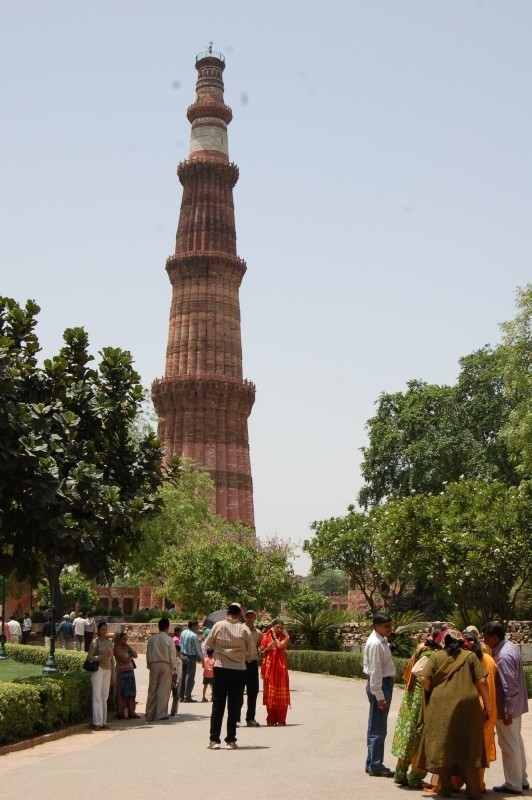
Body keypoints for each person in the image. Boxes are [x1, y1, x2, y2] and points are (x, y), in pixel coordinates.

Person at [417, 631, 490, 800]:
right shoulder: (470, 656)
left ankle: (446, 787)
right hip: (468, 706)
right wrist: (487, 706)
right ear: (462, 642)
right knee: (468, 745)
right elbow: (482, 681)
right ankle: (473, 790)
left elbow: (424, 680)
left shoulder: (436, 657)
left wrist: (433, 692)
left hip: (439, 705)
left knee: (441, 744)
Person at [482, 621, 529, 794]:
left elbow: (509, 687)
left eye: (486, 638)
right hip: (515, 707)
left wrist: (508, 710)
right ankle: (521, 779)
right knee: (515, 743)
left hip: (507, 710)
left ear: (495, 637)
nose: (484, 641)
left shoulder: (503, 655)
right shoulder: (510, 647)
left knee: (509, 746)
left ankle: (513, 783)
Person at [391, 635, 442, 788]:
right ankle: (415, 776)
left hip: (411, 698)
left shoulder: (421, 649)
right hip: (423, 701)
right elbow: (424, 677)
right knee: (422, 738)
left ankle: (400, 773)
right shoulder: (432, 655)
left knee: (408, 736)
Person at [206, 602, 252, 749]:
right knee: (234, 706)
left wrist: (222, 650)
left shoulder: (218, 626)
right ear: (239, 614)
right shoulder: (244, 629)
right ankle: (231, 739)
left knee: (218, 704)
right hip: (239, 669)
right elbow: (250, 650)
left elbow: (209, 643)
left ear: (227, 613)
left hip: (221, 667)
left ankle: (214, 739)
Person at [363, 612, 396, 777]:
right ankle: (376, 764)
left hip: (382, 684)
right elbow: (375, 672)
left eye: (390, 625)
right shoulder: (376, 644)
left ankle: (371, 762)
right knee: (378, 727)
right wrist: (380, 696)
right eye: (386, 626)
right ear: (376, 626)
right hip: (381, 685)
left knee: (375, 725)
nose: (389, 629)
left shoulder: (380, 640)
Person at [145, 617, 178, 722]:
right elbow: (172, 656)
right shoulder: (168, 639)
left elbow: (148, 654)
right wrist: (175, 669)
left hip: (154, 664)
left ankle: (149, 714)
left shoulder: (152, 639)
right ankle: (160, 713)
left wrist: (150, 665)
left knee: (152, 689)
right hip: (165, 665)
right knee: (163, 690)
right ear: (168, 627)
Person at [260, 618, 290, 727]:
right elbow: (262, 654)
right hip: (270, 669)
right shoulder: (266, 637)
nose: (279, 629)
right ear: (273, 627)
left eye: (281, 628)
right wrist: (267, 648)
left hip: (281, 668)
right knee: (270, 694)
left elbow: (280, 645)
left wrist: (274, 636)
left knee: (281, 694)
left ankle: (281, 720)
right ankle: (271, 719)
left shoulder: (285, 637)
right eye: (277, 627)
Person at [87, 621, 115, 730]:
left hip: (107, 669)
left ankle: (103, 721)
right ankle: (97, 722)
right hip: (98, 669)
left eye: (105, 629)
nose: (104, 631)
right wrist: (103, 656)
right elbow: (90, 657)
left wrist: (113, 674)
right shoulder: (95, 642)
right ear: (98, 630)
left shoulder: (109, 642)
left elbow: (112, 659)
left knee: (104, 697)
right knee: (97, 696)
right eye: (102, 629)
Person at [242, 609, 263, 726]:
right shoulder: (240, 629)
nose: (250, 618)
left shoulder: (258, 632)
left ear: (255, 618)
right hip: (241, 663)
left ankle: (250, 718)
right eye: (248, 616)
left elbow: (262, 644)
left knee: (253, 691)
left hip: (253, 663)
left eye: (252, 616)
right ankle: (235, 718)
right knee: (238, 692)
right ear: (245, 617)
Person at [113, 631, 140, 719]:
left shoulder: (126, 647)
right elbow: (124, 660)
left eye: (126, 639)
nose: (125, 641)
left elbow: (135, 655)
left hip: (130, 672)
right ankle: (120, 712)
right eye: (123, 639)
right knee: (122, 693)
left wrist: (128, 647)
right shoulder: (116, 648)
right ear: (119, 639)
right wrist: (130, 657)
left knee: (131, 692)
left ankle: (131, 712)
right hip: (121, 672)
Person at [179, 619, 203, 702]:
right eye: (197, 625)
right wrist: (202, 657)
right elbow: (197, 648)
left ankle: (180, 695)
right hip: (190, 657)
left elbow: (180, 643)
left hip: (183, 655)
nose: (198, 627)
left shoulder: (183, 632)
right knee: (190, 676)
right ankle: (187, 696)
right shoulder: (194, 635)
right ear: (193, 626)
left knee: (183, 675)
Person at [170, 643, 183, 717]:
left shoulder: (179, 661)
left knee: (176, 696)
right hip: (170, 679)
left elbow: (179, 671)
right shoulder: (171, 659)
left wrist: (177, 681)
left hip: (176, 680)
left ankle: (173, 710)